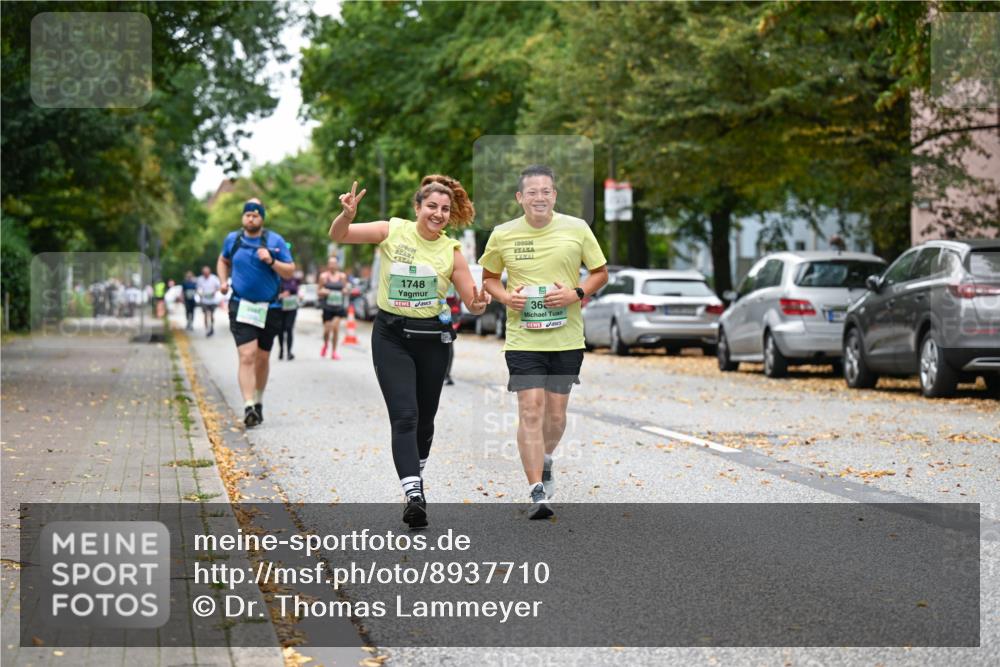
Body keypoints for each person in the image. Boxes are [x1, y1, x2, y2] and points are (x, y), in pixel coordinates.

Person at [328, 176, 490, 528]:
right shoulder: (393, 230)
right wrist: (347, 215)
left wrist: (478, 303)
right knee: (405, 416)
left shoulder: (452, 252)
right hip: (392, 337)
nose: (438, 213)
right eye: (431, 206)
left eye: (445, 209)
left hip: (432, 340)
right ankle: (414, 493)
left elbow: (471, 303)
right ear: (418, 207)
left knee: (425, 422)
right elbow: (340, 235)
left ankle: (413, 477)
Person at [480, 165, 608, 520]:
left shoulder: (577, 229)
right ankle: (537, 489)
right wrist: (506, 298)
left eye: (546, 191)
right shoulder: (503, 234)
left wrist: (576, 292)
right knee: (531, 410)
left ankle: (545, 456)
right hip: (524, 338)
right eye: (532, 192)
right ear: (520, 198)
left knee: (556, 415)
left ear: (554, 195)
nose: (539, 197)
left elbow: (600, 272)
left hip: (566, 337)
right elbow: (489, 278)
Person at [217, 198, 295, 428]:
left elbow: (289, 272)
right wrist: (223, 281)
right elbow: (223, 260)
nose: (251, 218)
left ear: (262, 218)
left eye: (256, 215)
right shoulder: (233, 239)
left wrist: (271, 260)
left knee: (262, 357)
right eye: (247, 215)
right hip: (241, 305)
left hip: (269, 308)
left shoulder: (275, 240)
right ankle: (248, 405)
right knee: (247, 355)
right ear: (243, 218)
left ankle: (258, 400)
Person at [317, 256, 350, 360]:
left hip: (339, 307)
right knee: (327, 330)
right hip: (327, 307)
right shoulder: (323, 276)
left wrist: (345, 291)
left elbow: (346, 289)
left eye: (334, 263)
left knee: (335, 328)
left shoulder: (342, 276)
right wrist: (324, 291)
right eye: (330, 263)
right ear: (328, 265)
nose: (332, 265)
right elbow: (318, 291)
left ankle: (334, 351)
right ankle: (326, 344)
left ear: (337, 265)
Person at [278, 271, 301, 360]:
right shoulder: (278, 279)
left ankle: (289, 352)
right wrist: (281, 295)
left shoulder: (295, 280)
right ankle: (281, 351)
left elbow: (297, 290)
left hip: (292, 308)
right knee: (280, 330)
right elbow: (273, 293)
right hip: (280, 308)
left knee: (289, 328)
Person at [196, 265, 222, 336]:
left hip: (212, 300)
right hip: (204, 300)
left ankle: (212, 327)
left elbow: (219, 287)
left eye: (207, 273)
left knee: (211, 315)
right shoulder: (200, 279)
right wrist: (200, 294)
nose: (205, 274)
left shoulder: (214, 278)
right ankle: (207, 329)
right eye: (204, 273)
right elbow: (198, 289)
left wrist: (214, 291)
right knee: (205, 315)